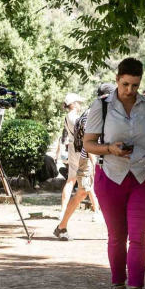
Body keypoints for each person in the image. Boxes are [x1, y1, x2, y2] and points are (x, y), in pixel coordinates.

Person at [84, 58, 145, 289]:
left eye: (135, 85)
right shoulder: (101, 105)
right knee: (116, 238)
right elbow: (88, 143)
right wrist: (110, 149)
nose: (130, 90)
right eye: (125, 84)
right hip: (111, 176)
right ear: (117, 78)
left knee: (139, 238)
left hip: (142, 177)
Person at [53, 92, 101, 240]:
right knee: (86, 181)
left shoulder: (69, 117)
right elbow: (84, 135)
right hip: (80, 150)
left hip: (75, 148)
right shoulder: (75, 117)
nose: (80, 105)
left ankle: (64, 214)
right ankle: (96, 211)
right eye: (78, 103)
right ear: (73, 104)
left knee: (73, 180)